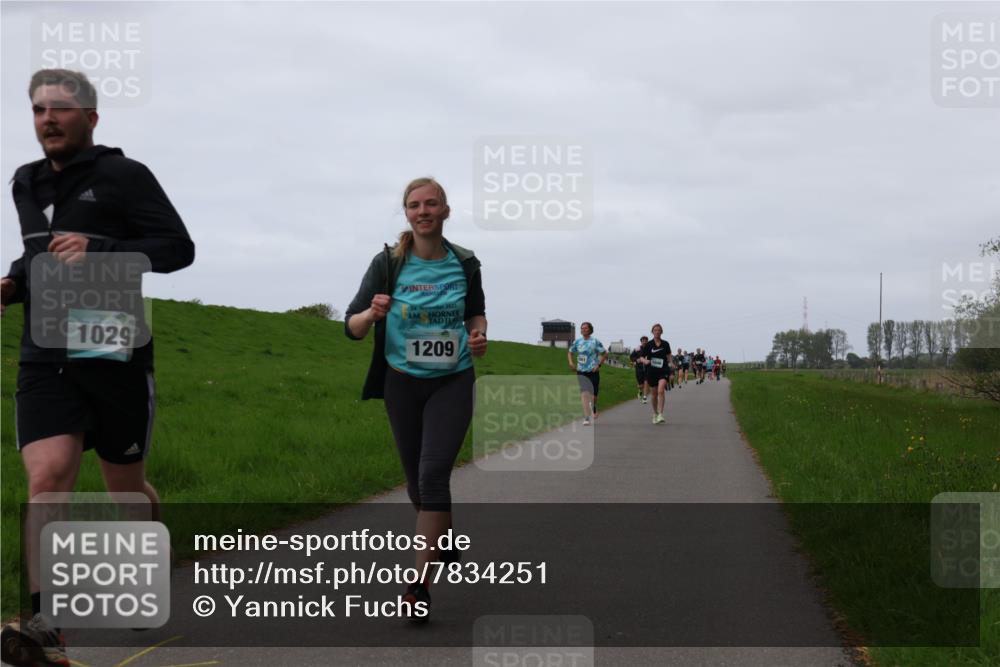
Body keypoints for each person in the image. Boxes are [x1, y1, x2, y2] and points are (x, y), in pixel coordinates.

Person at [0, 69, 195, 667]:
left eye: (60, 108)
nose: (47, 119)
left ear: (91, 117)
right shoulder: (25, 183)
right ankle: (45, 623)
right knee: (48, 476)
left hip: (114, 353)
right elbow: (40, 254)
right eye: (37, 110)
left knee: (125, 489)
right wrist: (13, 281)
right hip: (46, 354)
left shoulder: (125, 176)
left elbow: (178, 250)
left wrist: (101, 249)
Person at [345, 177, 486, 622]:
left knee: (432, 475)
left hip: (453, 379)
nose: (422, 211)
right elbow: (351, 325)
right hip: (402, 382)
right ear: (406, 214)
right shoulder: (388, 263)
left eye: (431, 204)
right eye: (414, 205)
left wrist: (479, 333)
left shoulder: (465, 263)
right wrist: (373, 312)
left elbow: (475, 312)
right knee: (414, 482)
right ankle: (442, 540)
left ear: (446, 211)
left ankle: (417, 585)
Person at [639, 324, 672, 424]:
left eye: (659, 330)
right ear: (652, 332)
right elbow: (641, 357)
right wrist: (645, 361)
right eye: (655, 330)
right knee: (654, 394)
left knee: (661, 391)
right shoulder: (649, 344)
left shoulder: (665, 344)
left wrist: (671, 366)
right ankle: (655, 413)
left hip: (663, 370)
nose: (657, 332)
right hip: (652, 371)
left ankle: (661, 414)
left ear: (661, 332)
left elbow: (669, 357)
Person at [630, 336, 649, 403]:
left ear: (647, 341)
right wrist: (636, 360)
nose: (644, 341)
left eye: (646, 340)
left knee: (646, 382)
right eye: (643, 340)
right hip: (639, 368)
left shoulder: (650, 348)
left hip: (647, 368)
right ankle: (640, 391)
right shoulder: (637, 349)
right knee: (641, 385)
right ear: (641, 341)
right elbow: (631, 357)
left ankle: (645, 397)